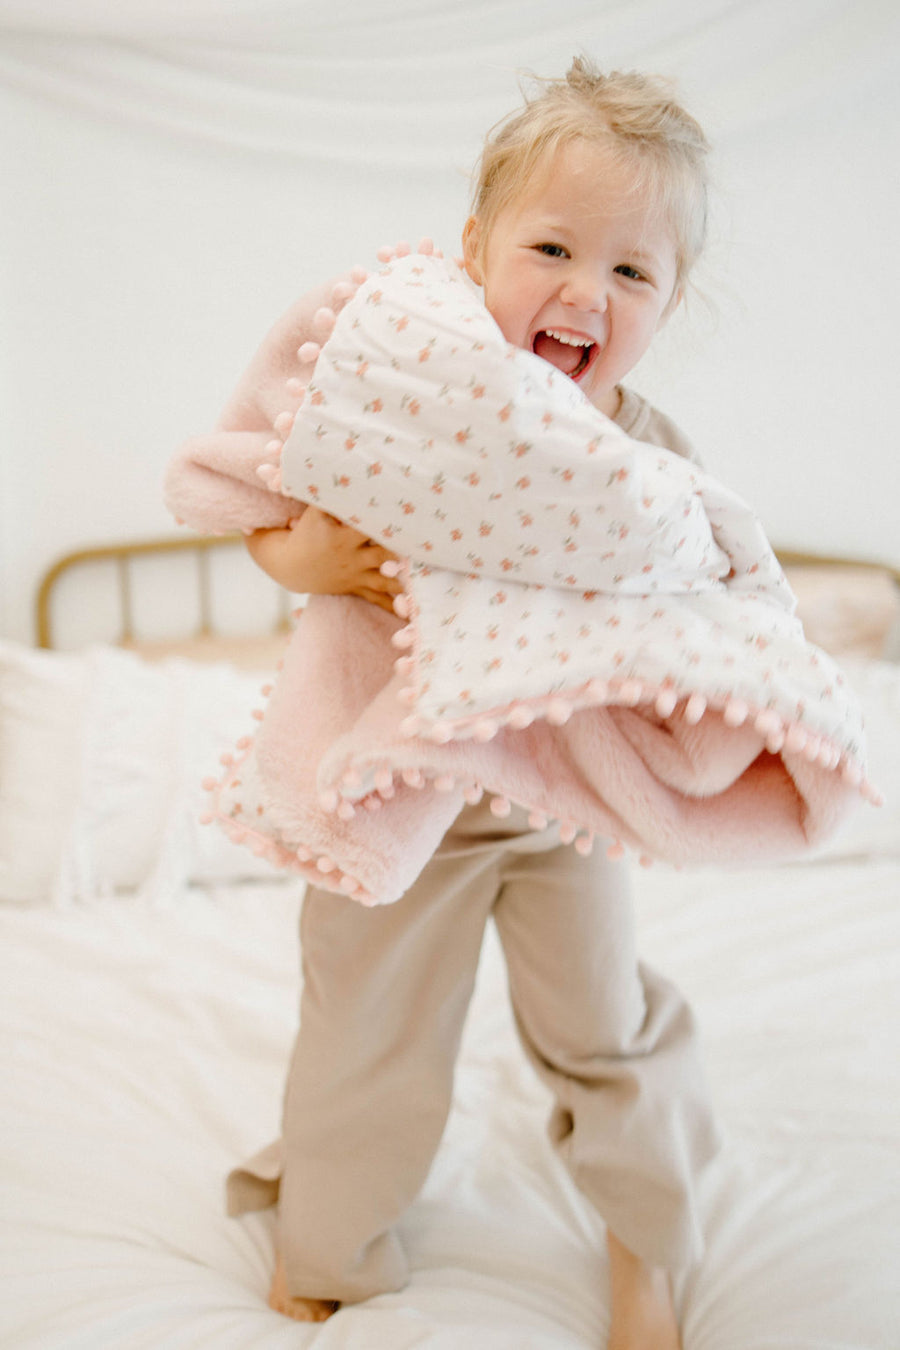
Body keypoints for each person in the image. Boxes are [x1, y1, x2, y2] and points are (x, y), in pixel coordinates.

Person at [228, 59, 722, 1348]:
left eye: (631, 270)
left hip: (558, 806)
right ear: (475, 253)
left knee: (601, 1026)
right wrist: (309, 562)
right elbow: (278, 515)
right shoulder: (411, 396)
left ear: (669, 301)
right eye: (551, 247)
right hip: (396, 794)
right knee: (363, 1027)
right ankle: (328, 1243)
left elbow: (703, 605)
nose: (583, 290)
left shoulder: (652, 462)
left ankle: (650, 1248)